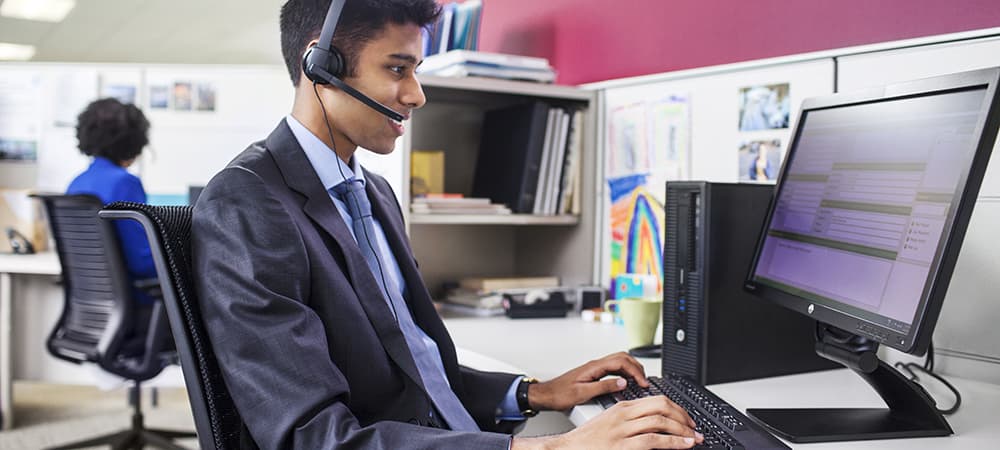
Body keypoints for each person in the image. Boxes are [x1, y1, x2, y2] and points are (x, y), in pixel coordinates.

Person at [191, 1, 702, 448]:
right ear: (319, 65)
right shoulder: (249, 204)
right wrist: (552, 449)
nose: (417, 95)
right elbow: (313, 437)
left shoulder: (374, 193)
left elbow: (413, 368)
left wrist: (533, 392)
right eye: (397, 69)